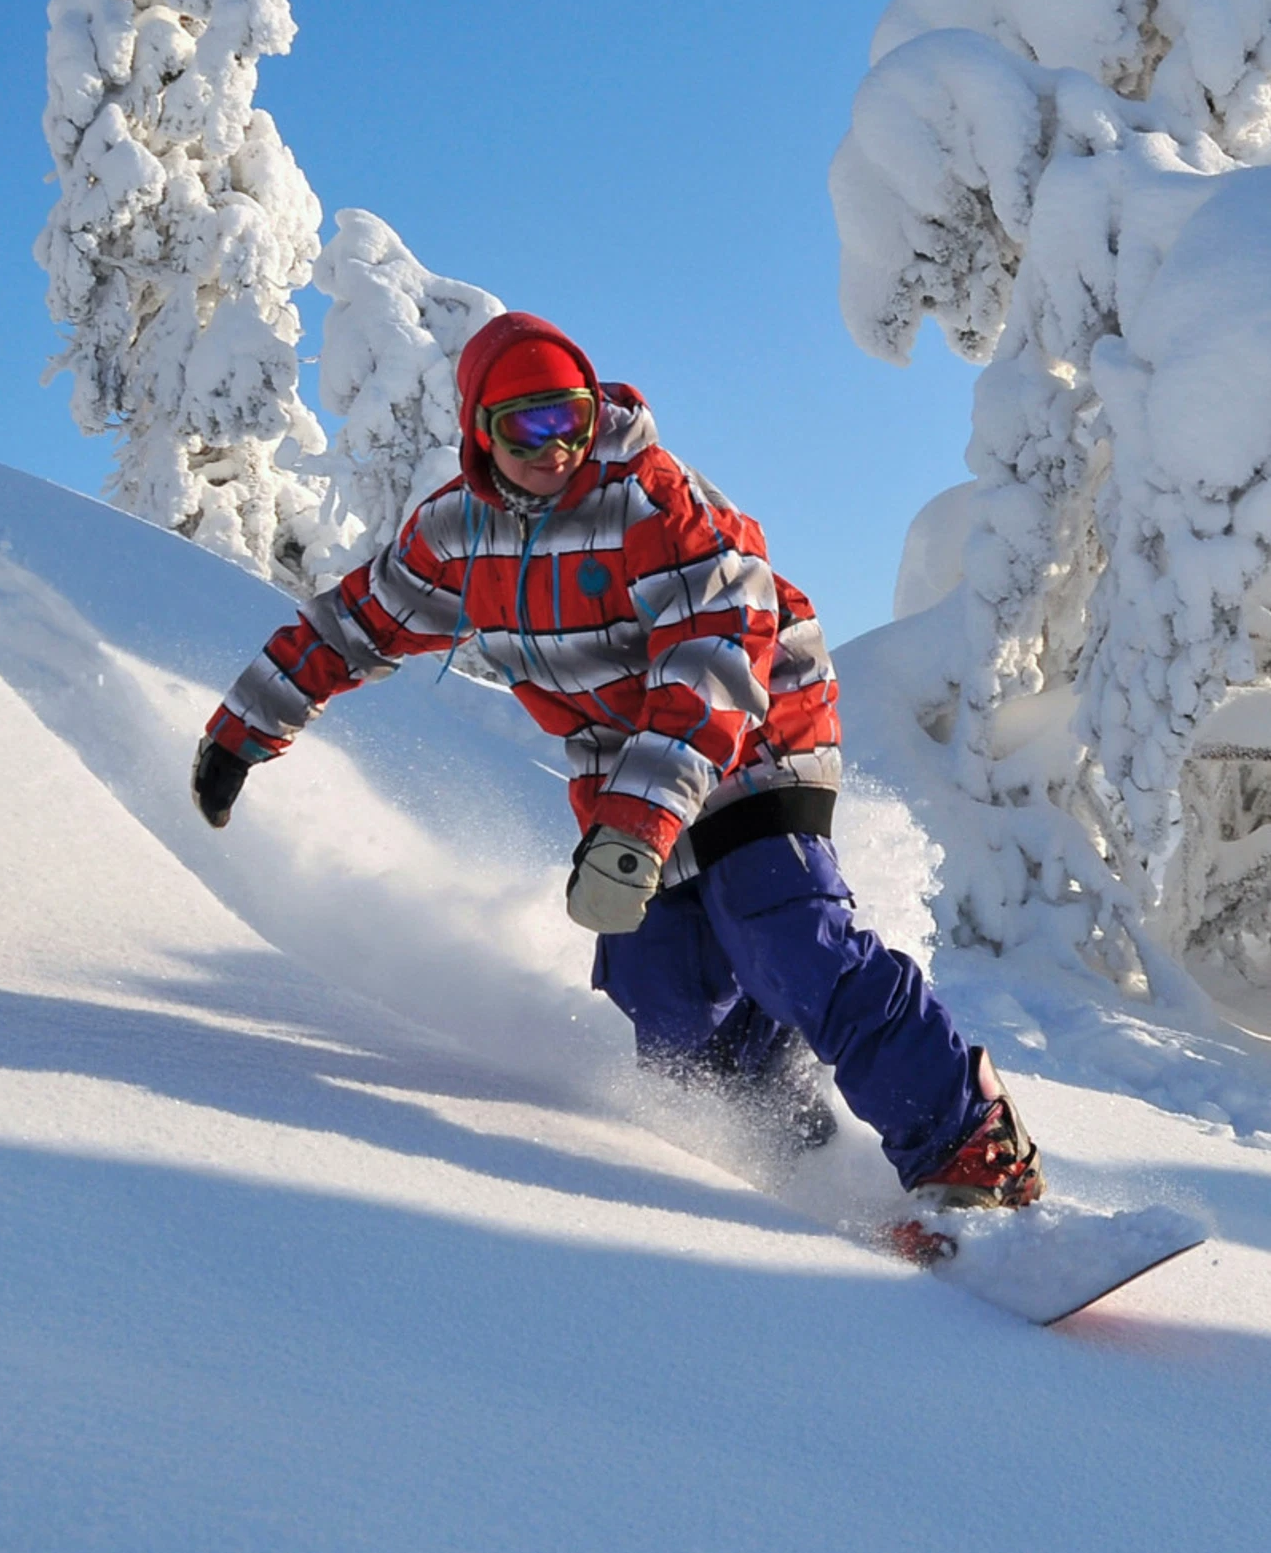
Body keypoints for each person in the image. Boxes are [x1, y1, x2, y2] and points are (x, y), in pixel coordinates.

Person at [189, 311, 1042, 1238]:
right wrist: (244, 730)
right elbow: (352, 626)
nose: (554, 447)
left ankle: (968, 1145)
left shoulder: (653, 501)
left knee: (781, 932)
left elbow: (715, 655)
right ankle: (783, 1151)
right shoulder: (455, 538)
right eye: (526, 428)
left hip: (757, 730)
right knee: (663, 990)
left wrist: (639, 824)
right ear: (481, 433)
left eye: (570, 419)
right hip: (627, 769)